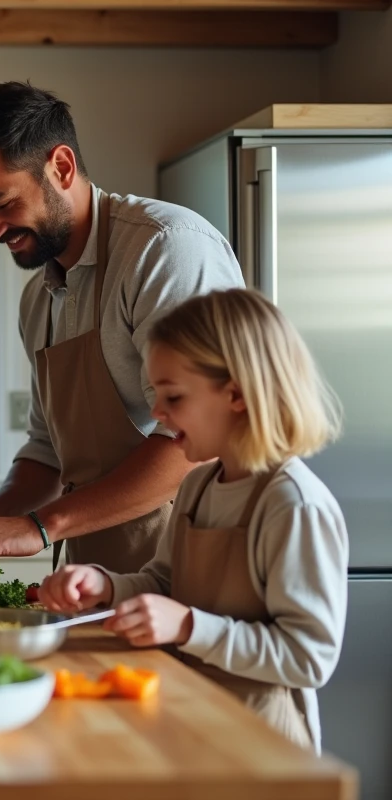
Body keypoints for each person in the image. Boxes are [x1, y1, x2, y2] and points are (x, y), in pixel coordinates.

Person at [0, 81, 244, 577]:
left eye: (2, 204)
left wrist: (39, 526)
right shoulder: (38, 299)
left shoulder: (165, 250)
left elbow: (196, 437)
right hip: (97, 577)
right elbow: (47, 450)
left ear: (62, 167)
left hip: (196, 565)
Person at [39, 288, 347, 753]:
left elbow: (308, 657)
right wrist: (106, 586)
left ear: (237, 395)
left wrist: (187, 627)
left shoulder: (293, 505)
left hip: (264, 745)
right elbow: (165, 584)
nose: (158, 414)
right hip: (195, 717)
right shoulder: (199, 485)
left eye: (173, 397)